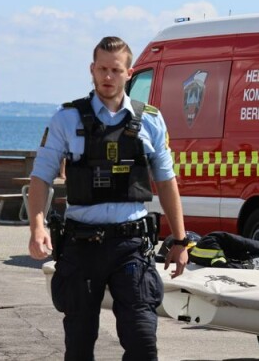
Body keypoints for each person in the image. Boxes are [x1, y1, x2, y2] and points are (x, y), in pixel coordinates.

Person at [27, 36, 189, 361]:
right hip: (81, 246)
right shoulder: (67, 118)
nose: (108, 76)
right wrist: (37, 227)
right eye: (102, 68)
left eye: (116, 69)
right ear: (92, 69)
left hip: (130, 247)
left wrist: (181, 240)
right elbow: (41, 176)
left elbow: (166, 181)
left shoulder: (151, 121)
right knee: (79, 345)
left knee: (143, 343)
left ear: (129, 73)